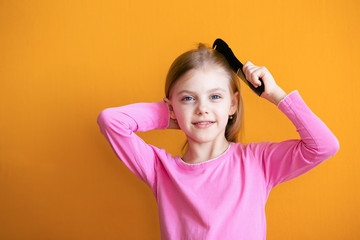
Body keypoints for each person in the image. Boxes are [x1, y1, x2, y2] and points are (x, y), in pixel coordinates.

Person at [97, 42, 339, 240]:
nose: (202, 108)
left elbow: (324, 146)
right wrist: (174, 115)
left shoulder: (257, 162)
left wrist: (276, 94)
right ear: (171, 106)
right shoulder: (160, 169)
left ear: (232, 104)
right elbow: (111, 121)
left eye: (215, 96)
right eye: (188, 98)